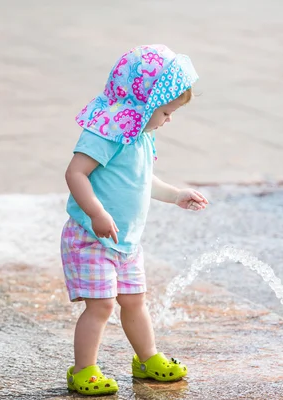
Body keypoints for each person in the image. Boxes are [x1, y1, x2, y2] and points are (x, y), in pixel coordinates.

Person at [61, 44, 208, 396]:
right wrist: (97, 213)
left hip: (127, 242)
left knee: (135, 301)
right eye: (166, 111)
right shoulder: (105, 133)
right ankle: (83, 370)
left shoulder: (141, 136)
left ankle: (146, 358)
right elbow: (75, 174)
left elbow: (143, 182)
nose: (168, 119)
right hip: (91, 237)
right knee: (102, 306)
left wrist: (175, 196)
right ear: (142, 102)